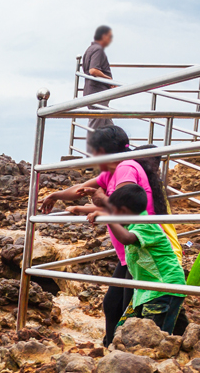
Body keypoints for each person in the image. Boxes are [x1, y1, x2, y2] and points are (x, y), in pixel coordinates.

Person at [38, 124, 170, 344]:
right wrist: (56, 194)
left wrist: (98, 205)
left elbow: (125, 210)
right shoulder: (112, 172)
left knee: (130, 307)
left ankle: (122, 350)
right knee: (113, 304)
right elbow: (81, 189)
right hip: (130, 253)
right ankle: (112, 347)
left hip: (142, 249)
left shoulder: (126, 168)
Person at [105, 182, 190, 336]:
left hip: (163, 288)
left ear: (124, 212)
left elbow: (126, 239)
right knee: (131, 330)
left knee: (154, 337)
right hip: (149, 290)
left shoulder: (146, 224)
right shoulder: (134, 222)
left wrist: (106, 217)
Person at [80, 26, 115, 100]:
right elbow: (93, 70)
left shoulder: (90, 49)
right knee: (101, 111)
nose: (111, 39)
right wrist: (109, 80)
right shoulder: (98, 50)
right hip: (97, 93)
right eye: (110, 36)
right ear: (104, 36)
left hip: (90, 91)